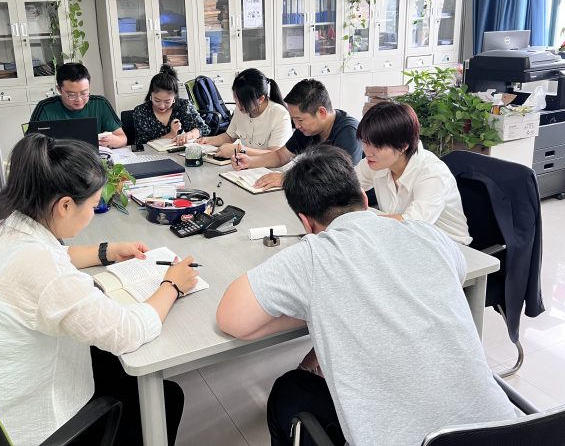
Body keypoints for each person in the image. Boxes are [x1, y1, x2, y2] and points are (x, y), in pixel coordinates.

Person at [216, 145, 516, 446]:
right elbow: (453, 276)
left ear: (306, 222)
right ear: (363, 197)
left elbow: (233, 319)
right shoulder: (428, 235)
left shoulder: (313, 256)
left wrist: (320, 306)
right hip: (513, 433)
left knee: (289, 390)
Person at [0, 134, 198, 445]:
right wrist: (172, 284)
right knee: (166, 398)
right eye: (92, 205)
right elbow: (128, 332)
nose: (93, 212)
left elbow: (54, 256)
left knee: (104, 358)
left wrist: (107, 251)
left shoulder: (2, 231)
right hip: (31, 432)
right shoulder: (46, 274)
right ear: (65, 205)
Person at [355, 100, 471, 245]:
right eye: (365, 142)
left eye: (377, 145)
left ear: (403, 145)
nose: (367, 151)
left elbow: (413, 223)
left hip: (447, 247)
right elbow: (343, 186)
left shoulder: (432, 173)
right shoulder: (376, 162)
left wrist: (360, 222)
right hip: (404, 241)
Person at [231, 79, 361, 189]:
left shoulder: (348, 131)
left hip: (354, 199)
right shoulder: (308, 129)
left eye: (300, 119)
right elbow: (281, 156)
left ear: (321, 112)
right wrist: (249, 162)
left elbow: (339, 177)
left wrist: (288, 179)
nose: (297, 126)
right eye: (294, 119)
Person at [29, 62, 127, 149]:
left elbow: (123, 139)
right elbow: (29, 146)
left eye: (84, 93)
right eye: (71, 95)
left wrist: (111, 140)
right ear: (59, 89)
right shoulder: (45, 108)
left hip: (93, 159)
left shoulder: (100, 103)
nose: (79, 99)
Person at [198, 68, 291, 158]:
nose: (238, 105)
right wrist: (207, 140)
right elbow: (229, 137)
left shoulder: (280, 115)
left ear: (261, 99)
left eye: (243, 101)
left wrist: (239, 150)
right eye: (236, 98)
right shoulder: (241, 109)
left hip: (270, 167)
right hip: (247, 165)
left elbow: (275, 155)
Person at [132, 64, 210, 146]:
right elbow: (142, 143)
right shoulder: (141, 111)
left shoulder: (183, 106)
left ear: (174, 97)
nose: (162, 106)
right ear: (150, 94)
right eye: (157, 100)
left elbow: (204, 129)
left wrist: (189, 135)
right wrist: (171, 135)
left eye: (167, 101)